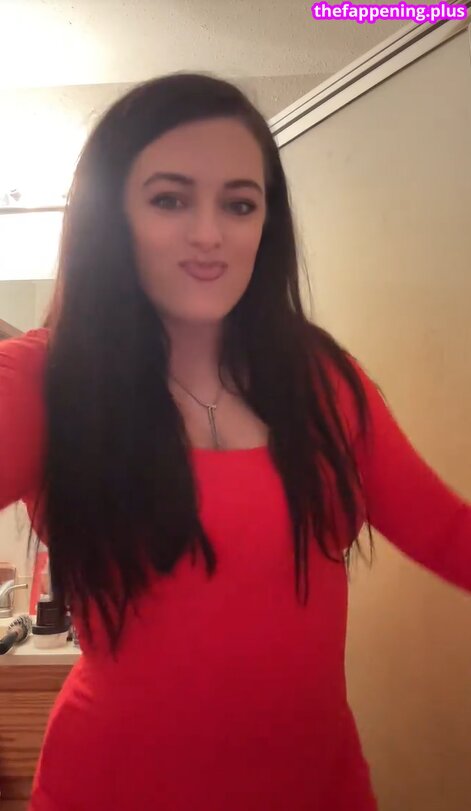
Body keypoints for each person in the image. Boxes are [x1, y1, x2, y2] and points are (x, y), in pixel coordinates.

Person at [0, 71, 469, 811]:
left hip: (322, 792)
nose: (209, 234)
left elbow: (449, 535)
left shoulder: (321, 380)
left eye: (239, 204)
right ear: (110, 217)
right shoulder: (47, 380)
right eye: (169, 199)